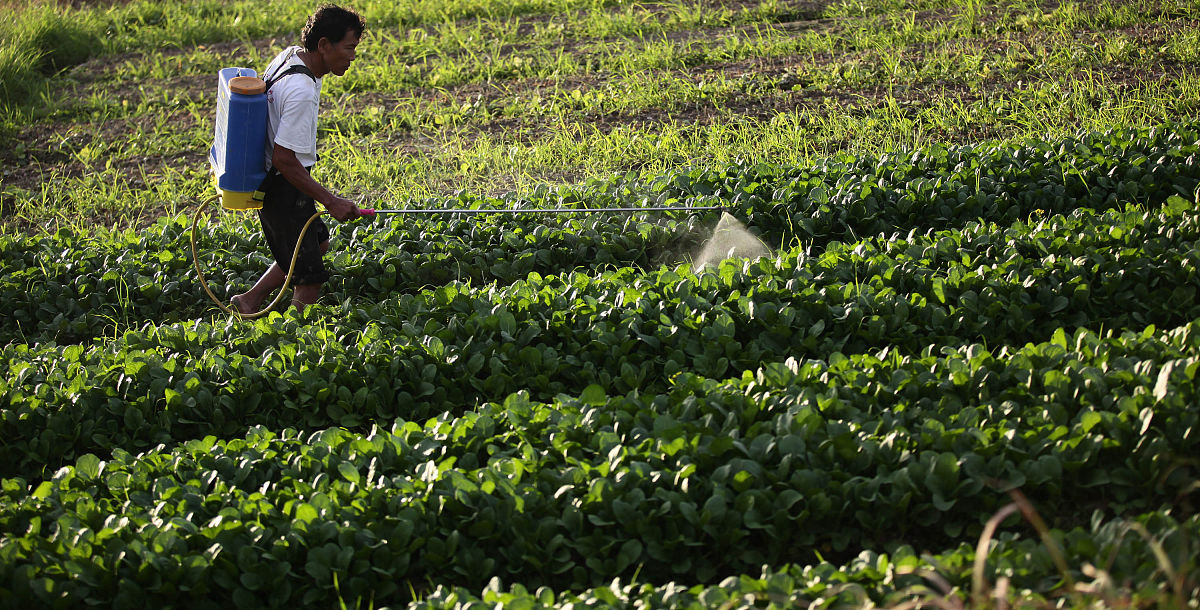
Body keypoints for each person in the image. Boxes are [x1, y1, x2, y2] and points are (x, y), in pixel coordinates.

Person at [232, 5, 365, 315]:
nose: (353, 56)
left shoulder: (291, 56)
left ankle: (249, 300)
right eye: (349, 47)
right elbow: (284, 159)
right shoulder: (302, 90)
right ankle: (291, 341)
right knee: (309, 278)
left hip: (283, 181)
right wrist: (331, 201)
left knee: (315, 244)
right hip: (280, 187)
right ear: (323, 45)